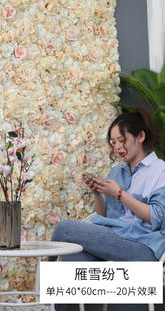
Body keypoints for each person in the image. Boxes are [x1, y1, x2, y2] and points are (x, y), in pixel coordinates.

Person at [51, 108, 165, 261]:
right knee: (75, 254)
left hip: (145, 245)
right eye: (113, 142)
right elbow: (104, 216)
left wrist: (120, 194)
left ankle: (44, 275)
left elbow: (157, 219)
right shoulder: (117, 171)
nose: (117, 147)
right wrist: (97, 193)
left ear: (140, 136)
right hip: (115, 238)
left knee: (64, 228)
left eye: (122, 141)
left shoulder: (160, 170)